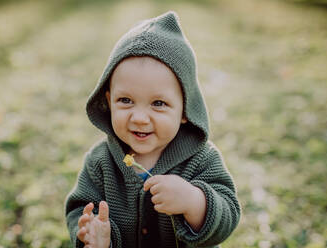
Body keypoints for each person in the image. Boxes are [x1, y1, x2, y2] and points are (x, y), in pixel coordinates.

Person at [65, 11, 241, 248]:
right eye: (125, 100)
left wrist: (194, 201)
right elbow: (80, 208)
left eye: (158, 104)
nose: (138, 118)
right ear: (108, 100)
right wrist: (94, 232)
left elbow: (228, 213)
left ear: (186, 111)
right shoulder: (100, 162)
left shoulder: (202, 160)